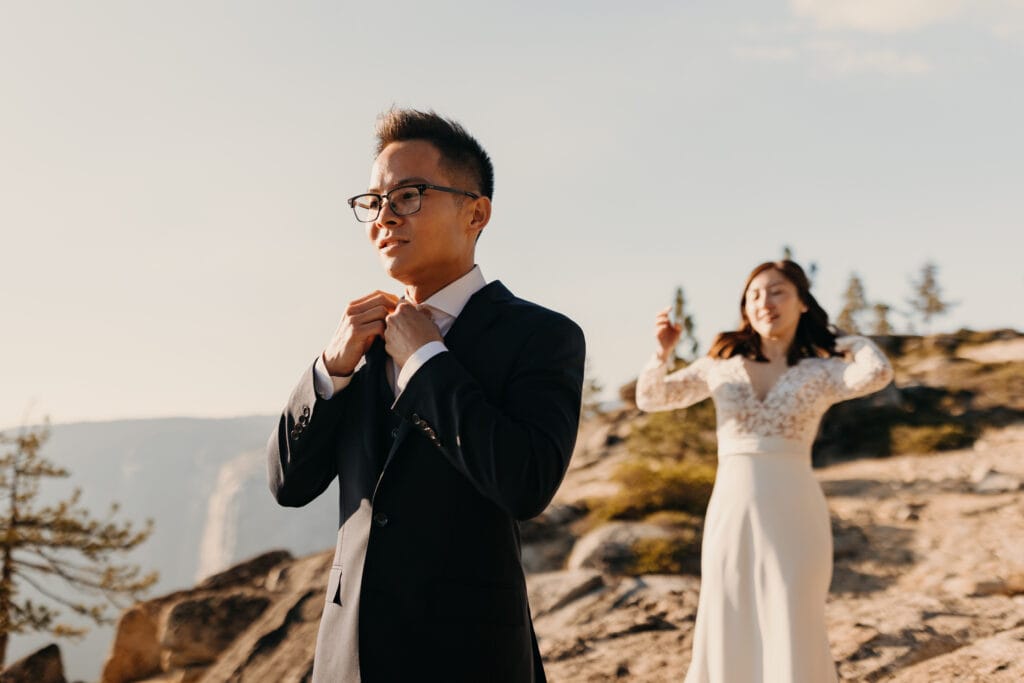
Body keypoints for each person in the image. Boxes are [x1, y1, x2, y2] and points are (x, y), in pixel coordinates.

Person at [267, 109, 586, 683]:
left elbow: (526, 482)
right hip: (349, 657)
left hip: (470, 654)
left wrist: (426, 361)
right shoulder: (357, 343)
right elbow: (289, 485)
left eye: (408, 195)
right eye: (374, 201)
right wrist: (330, 368)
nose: (384, 217)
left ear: (476, 212)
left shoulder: (543, 336)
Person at [636, 260, 893, 683]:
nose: (764, 302)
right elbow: (652, 397)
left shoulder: (821, 372)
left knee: (793, 613)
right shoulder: (721, 364)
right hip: (731, 510)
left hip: (795, 508)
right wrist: (661, 353)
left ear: (802, 303)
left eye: (777, 292)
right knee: (728, 612)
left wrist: (847, 339)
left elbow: (878, 373)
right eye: (754, 295)